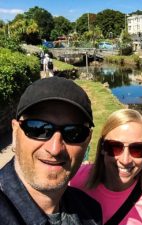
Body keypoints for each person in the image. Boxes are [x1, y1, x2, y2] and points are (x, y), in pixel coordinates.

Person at [0, 77, 102, 224]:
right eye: (38, 129)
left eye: (73, 133)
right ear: (15, 133)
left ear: (87, 140)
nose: (55, 149)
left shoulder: (91, 212)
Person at [70, 109, 142, 225]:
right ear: (102, 148)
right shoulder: (75, 179)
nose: (125, 160)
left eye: (137, 149)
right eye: (114, 147)